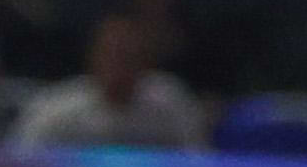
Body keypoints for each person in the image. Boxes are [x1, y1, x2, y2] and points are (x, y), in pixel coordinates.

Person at [13, 12, 204, 152]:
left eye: (128, 56)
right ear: (93, 58)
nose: (119, 66)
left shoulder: (171, 103)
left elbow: (199, 165)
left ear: (146, 62)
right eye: (110, 55)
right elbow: (21, 162)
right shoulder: (56, 110)